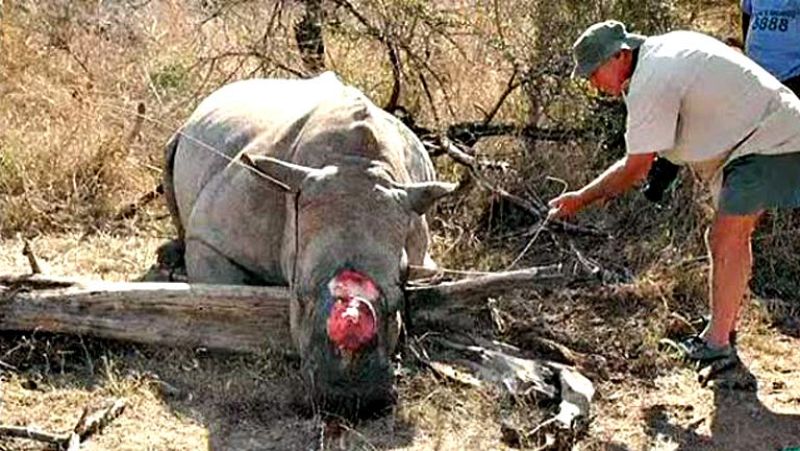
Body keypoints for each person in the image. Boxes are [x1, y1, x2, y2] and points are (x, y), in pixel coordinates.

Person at [549, 20, 800, 367]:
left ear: (619, 56)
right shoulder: (661, 50)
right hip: (768, 132)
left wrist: (581, 198)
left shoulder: (651, 78)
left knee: (726, 237)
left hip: (770, 139)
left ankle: (718, 344)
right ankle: (722, 329)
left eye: (594, 73)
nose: (594, 83)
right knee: (727, 237)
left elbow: (635, 167)